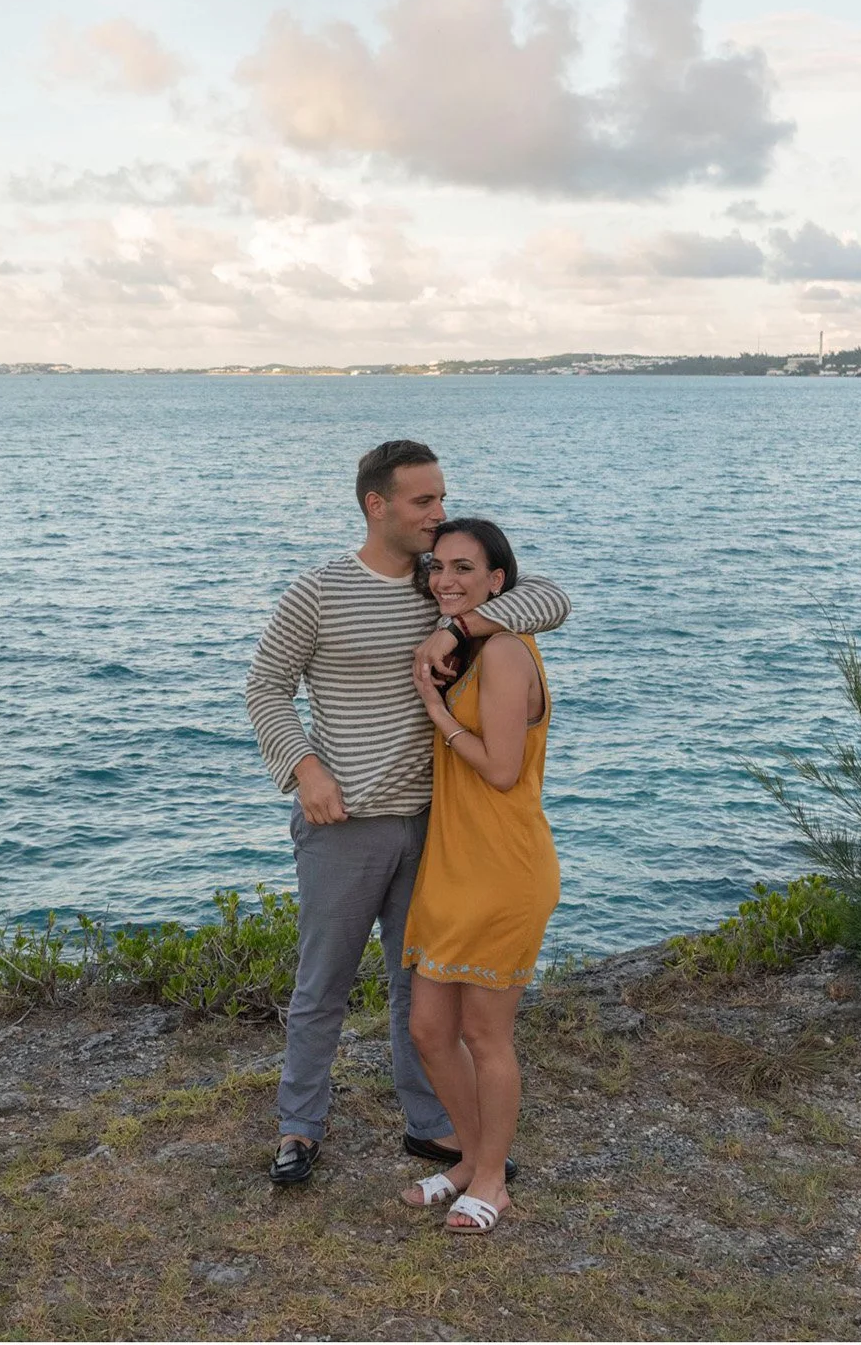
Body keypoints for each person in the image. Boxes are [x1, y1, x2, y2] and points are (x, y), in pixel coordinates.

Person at [245, 440, 569, 1189]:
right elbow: (265, 687)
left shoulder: (442, 589)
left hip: (434, 828)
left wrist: (457, 628)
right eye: (424, 501)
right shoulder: (318, 591)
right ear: (377, 505)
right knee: (322, 983)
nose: (439, 513)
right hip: (344, 824)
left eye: (441, 498)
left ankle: (431, 1126)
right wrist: (305, 767)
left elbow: (549, 597)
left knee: (416, 991)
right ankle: (300, 1124)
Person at [397, 518, 559, 1235]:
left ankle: (493, 1178)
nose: (446, 578)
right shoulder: (472, 645)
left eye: (465, 567)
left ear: (498, 582)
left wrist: (435, 710)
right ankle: (468, 1157)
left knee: (487, 1035)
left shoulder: (505, 656)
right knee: (431, 1027)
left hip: (502, 866)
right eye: (438, 566)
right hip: (453, 864)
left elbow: (501, 770)